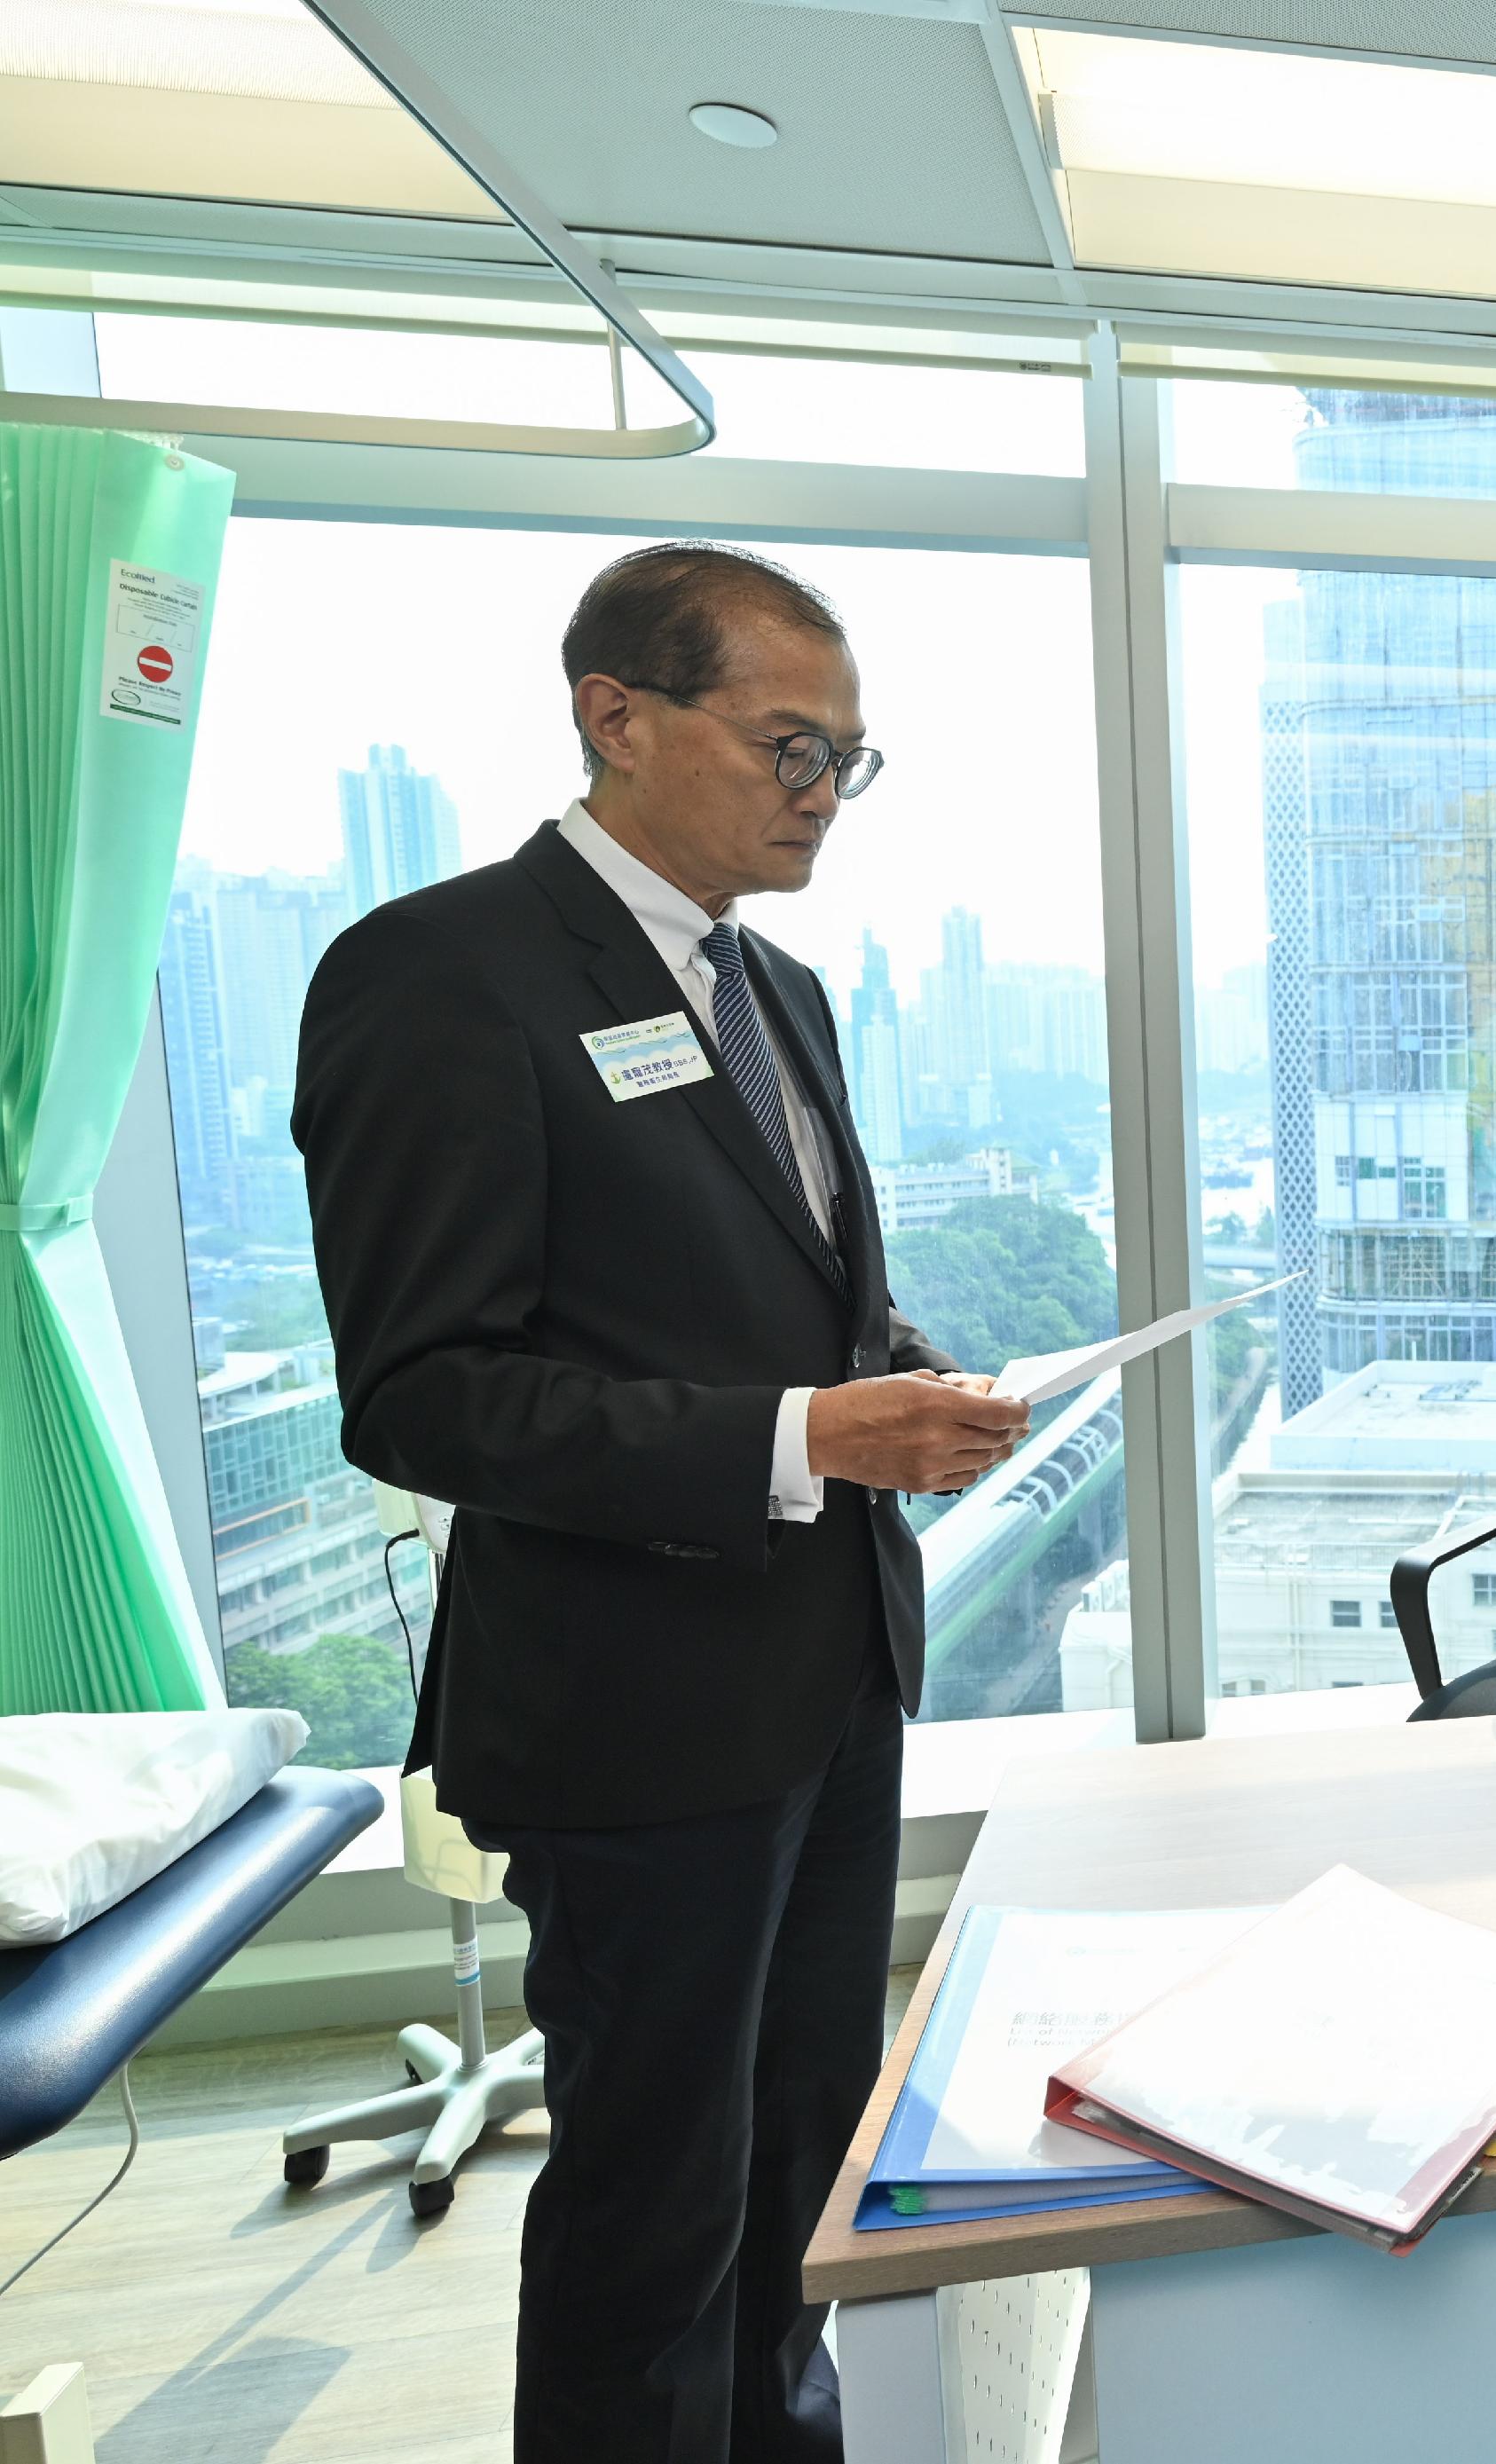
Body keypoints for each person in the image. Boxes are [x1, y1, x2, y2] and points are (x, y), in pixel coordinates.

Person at [292, 542, 1030, 2463]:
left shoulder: (777, 983)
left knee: (803, 2157)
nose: (818, 796)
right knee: (653, 2203)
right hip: (638, 1715)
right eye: (790, 745)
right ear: (615, 716)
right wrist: (800, 1437)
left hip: (828, 1674)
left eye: (850, 761)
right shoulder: (441, 975)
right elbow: (426, 1389)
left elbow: (792, 1293)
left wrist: (912, 1382)